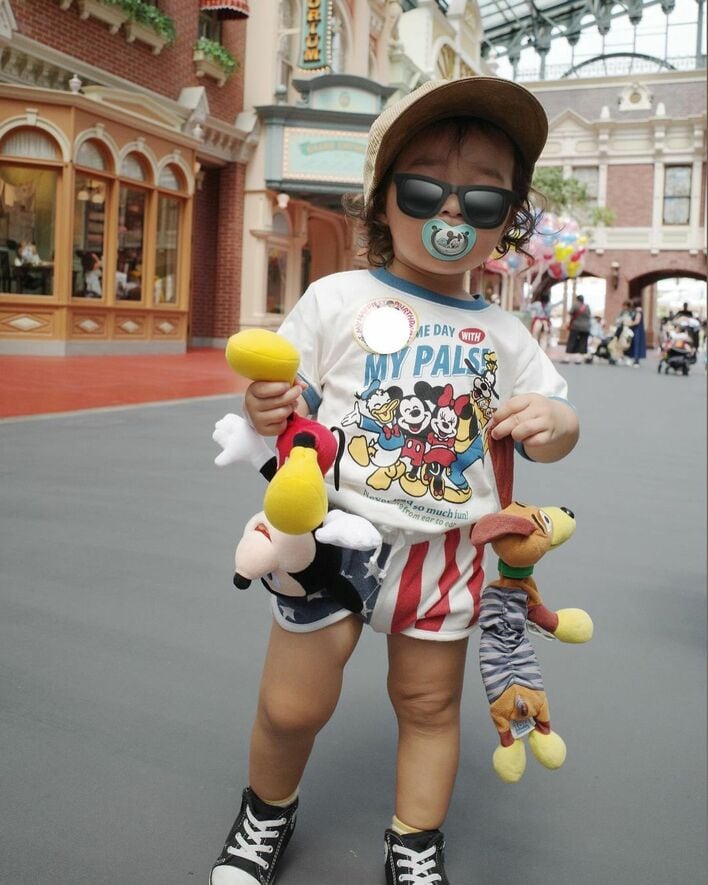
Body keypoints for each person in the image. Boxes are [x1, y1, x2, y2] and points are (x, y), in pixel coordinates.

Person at [210, 77, 579, 885]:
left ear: (507, 222)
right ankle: (267, 810)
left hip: (444, 552)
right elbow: (286, 403)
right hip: (333, 533)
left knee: (429, 704)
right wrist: (264, 402)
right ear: (383, 199)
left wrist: (556, 423)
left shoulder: (506, 332)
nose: (451, 213)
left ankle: (414, 838)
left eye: (482, 200)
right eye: (423, 189)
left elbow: (555, 426)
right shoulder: (337, 298)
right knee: (292, 704)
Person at [562, 294, 592, 365]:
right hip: (586, 328)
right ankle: (579, 359)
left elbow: (570, 313)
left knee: (571, 341)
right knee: (583, 342)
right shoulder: (587, 307)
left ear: (577, 299)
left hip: (576, 326)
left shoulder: (575, 305)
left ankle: (567, 358)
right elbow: (589, 316)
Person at [625, 299, 646, 366]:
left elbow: (637, 321)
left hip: (637, 330)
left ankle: (636, 361)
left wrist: (629, 324)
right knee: (636, 344)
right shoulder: (638, 311)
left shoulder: (638, 311)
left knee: (636, 344)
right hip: (637, 330)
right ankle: (635, 360)